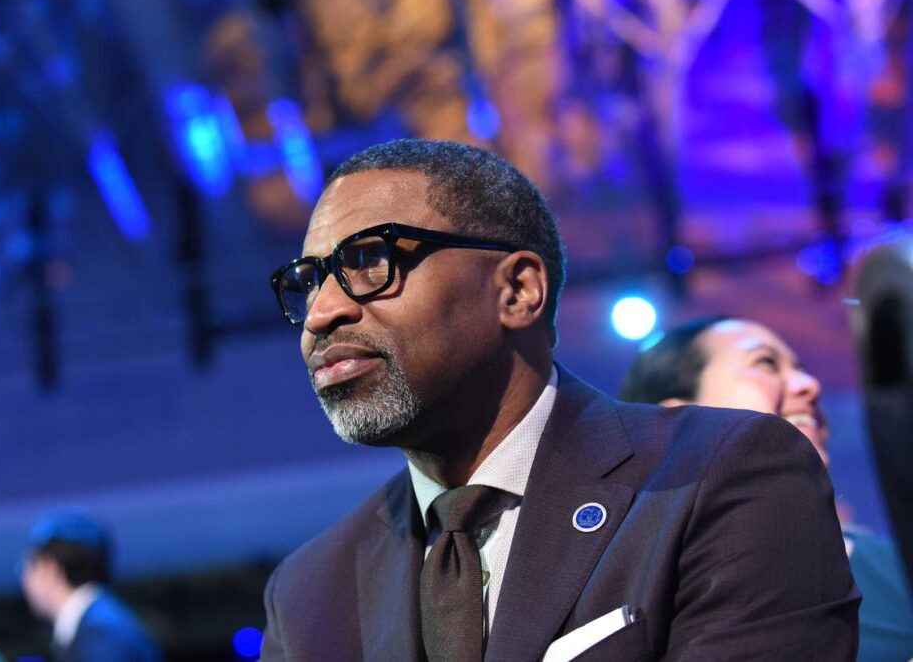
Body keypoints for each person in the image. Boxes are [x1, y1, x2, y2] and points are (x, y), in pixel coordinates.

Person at [262, 139, 858, 661]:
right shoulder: (308, 594)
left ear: (518, 290)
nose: (321, 312)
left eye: (369, 260)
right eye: (308, 281)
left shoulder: (722, 474)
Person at [622, 316, 913, 662]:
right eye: (765, 363)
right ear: (679, 420)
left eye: (801, 369)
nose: (810, 384)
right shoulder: (638, 597)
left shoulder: (898, 569)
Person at [20, 510, 163, 662]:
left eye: (26, 567)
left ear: (49, 570)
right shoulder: (100, 623)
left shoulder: (101, 635)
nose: (24, 579)